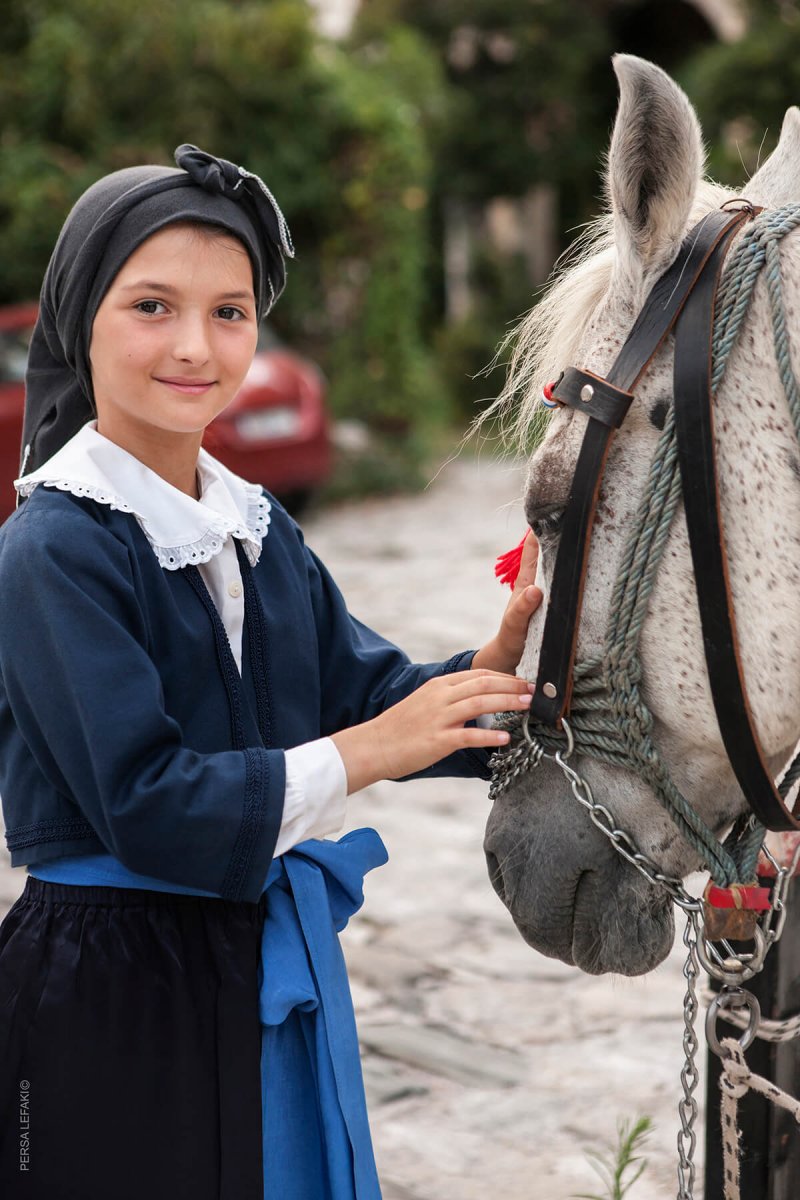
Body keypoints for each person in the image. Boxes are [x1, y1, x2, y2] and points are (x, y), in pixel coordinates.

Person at [0, 145, 541, 1200]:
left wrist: (486, 688)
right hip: (109, 992)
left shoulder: (255, 529)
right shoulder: (53, 549)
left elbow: (363, 691)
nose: (195, 346)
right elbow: (148, 803)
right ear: (79, 321)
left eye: (231, 312)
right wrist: (372, 751)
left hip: (245, 958)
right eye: (151, 306)